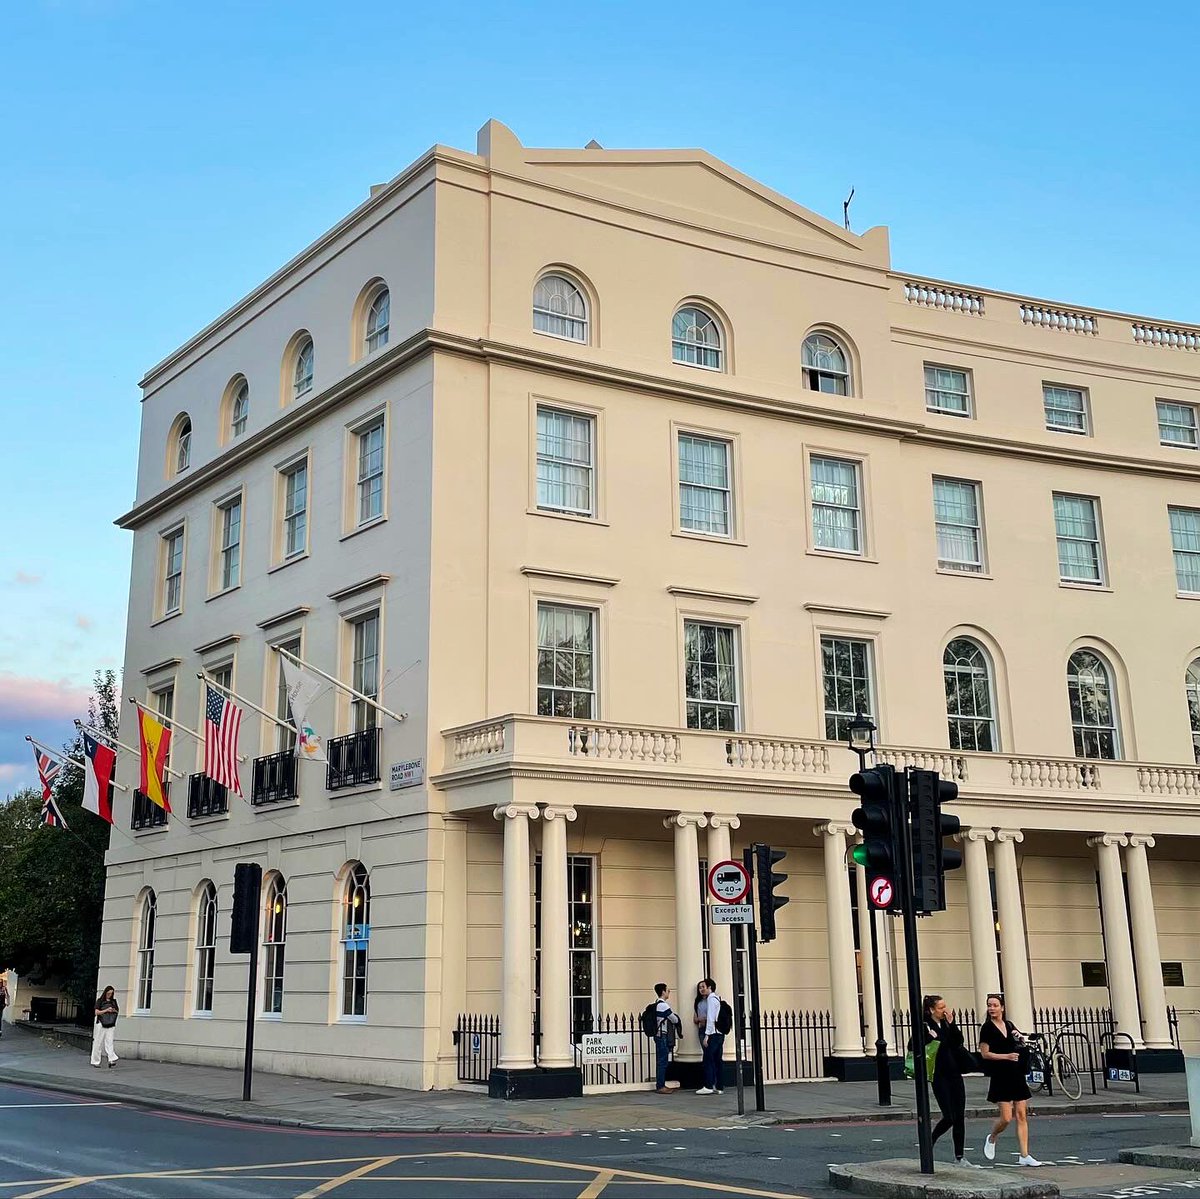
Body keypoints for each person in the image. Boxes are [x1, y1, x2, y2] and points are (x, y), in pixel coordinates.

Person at [978, 992, 1041, 1167]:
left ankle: (1024, 1155)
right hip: (1000, 1074)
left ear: (1002, 1008)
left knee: (1021, 1114)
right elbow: (985, 1054)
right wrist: (1005, 1056)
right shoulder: (987, 1028)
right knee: (1006, 1118)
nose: (991, 1008)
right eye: (989, 1005)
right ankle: (992, 1137)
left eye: (995, 1005)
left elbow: (1019, 1042)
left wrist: (1020, 1038)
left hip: (1015, 1073)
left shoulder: (1009, 1024)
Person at [922, 995, 978, 1167]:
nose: (944, 1010)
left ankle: (959, 1156)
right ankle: (929, 1142)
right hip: (939, 1076)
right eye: (940, 1007)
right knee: (949, 1117)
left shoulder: (947, 1023)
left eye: (945, 1006)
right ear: (931, 1009)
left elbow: (958, 1042)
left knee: (959, 1116)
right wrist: (929, 1037)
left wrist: (952, 1023)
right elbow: (912, 1046)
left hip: (954, 1074)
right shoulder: (925, 1026)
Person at [695, 978, 725, 1096]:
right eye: (700, 987)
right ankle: (719, 1086)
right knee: (717, 1060)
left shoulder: (711, 1000)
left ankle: (708, 1085)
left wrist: (707, 1035)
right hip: (719, 1033)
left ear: (709, 987)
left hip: (713, 1033)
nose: (701, 989)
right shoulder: (716, 999)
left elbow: (711, 1018)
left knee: (708, 1059)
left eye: (704, 987)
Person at [651, 983, 681, 1095]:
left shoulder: (657, 1004)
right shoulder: (663, 1005)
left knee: (661, 1061)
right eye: (668, 990)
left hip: (658, 1035)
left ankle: (661, 1084)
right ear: (663, 992)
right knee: (662, 1061)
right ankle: (661, 1086)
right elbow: (674, 1019)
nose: (669, 992)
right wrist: (677, 1018)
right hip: (662, 1035)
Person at [91, 986, 120, 1069]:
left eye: (111, 993)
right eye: (108, 993)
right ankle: (95, 1061)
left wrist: (113, 1010)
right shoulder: (100, 1001)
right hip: (101, 1023)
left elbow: (117, 1011)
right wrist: (106, 1010)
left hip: (110, 1023)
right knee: (98, 1042)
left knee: (109, 1042)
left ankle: (111, 1059)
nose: (110, 995)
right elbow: (97, 1012)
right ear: (105, 993)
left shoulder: (113, 1001)